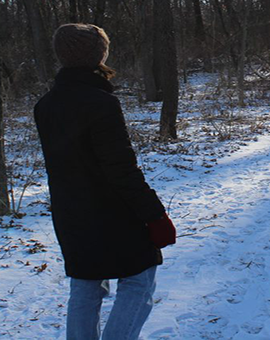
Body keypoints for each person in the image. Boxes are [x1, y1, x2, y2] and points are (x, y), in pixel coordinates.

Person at [34, 23, 176, 340]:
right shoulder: (100, 103)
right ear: (99, 55)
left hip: (70, 214)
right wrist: (155, 215)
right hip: (112, 213)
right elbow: (121, 168)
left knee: (85, 285)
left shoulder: (45, 105)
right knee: (139, 279)